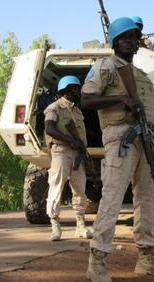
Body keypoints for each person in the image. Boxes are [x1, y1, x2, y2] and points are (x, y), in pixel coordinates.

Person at [81, 17, 154, 281]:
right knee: (111, 199)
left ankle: (147, 258)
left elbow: (151, 114)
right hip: (119, 136)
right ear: (115, 41)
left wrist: (153, 146)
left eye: (135, 37)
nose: (132, 41)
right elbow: (86, 99)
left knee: (148, 200)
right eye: (126, 37)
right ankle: (97, 261)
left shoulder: (141, 75)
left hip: (145, 140)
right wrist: (120, 99)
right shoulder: (105, 66)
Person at [44, 75, 93, 241]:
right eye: (76, 88)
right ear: (67, 89)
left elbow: (81, 137)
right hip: (61, 152)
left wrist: (83, 151)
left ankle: (80, 225)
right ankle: (55, 226)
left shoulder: (77, 111)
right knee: (56, 188)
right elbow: (50, 129)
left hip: (77, 154)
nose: (78, 91)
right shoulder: (54, 108)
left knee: (80, 190)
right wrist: (71, 140)